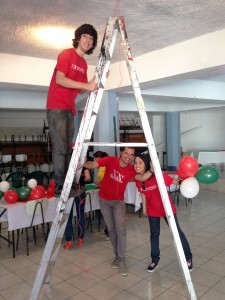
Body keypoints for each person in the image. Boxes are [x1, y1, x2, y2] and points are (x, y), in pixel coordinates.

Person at [46, 24, 98, 197]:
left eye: (91, 39)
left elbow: (81, 89)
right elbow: (60, 79)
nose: (88, 40)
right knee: (60, 148)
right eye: (85, 36)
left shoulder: (83, 63)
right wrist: (86, 85)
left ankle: (68, 184)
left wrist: (92, 83)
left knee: (68, 149)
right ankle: (60, 187)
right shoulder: (66, 54)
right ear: (78, 38)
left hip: (70, 108)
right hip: (57, 106)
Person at [84, 147, 151, 276]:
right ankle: (117, 256)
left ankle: (122, 260)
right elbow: (93, 164)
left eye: (131, 155)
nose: (128, 156)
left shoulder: (131, 169)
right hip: (104, 200)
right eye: (126, 153)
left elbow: (142, 178)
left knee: (121, 230)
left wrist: (153, 170)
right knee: (111, 230)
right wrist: (82, 162)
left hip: (118, 202)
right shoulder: (110, 160)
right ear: (121, 153)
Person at [134, 153, 193, 272]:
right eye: (135, 163)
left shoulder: (158, 176)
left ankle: (188, 258)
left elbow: (175, 182)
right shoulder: (138, 178)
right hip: (153, 211)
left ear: (147, 164)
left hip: (167, 209)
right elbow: (143, 193)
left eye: (140, 162)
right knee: (154, 235)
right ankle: (154, 260)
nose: (137, 165)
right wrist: (144, 208)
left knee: (177, 233)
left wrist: (187, 180)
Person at [63, 168, 91, 249]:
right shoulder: (83, 165)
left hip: (68, 192)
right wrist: (81, 180)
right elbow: (88, 177)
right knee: (80, 215)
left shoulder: (66, 164)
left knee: (68, 216)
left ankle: (69, 241)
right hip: (80, 191)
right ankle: (80, 239)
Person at [93, 150, 109, 239]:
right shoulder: (102, 166)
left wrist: (99, 182)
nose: (94, 160)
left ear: (99, 158)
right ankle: (107, 230)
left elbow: (106, 177)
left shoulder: (104, 166)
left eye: (95, 158)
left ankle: (109, 231)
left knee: (106, 213)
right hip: (103, 190)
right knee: (105, 212)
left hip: (107, 192)